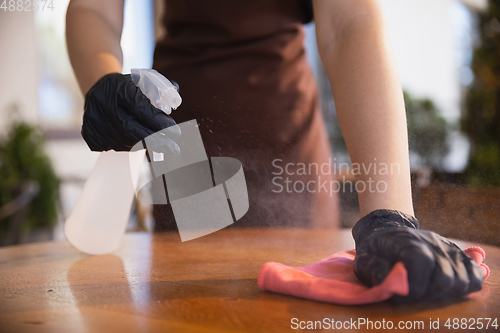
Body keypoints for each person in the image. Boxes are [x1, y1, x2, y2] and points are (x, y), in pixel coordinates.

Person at [66, 0, 485, 302]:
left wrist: (390, 215)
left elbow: (348, 22)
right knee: (191, 300)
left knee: (296, 305)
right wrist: (103, 79)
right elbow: (93, 10)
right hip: (181, 141)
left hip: (286, 143)